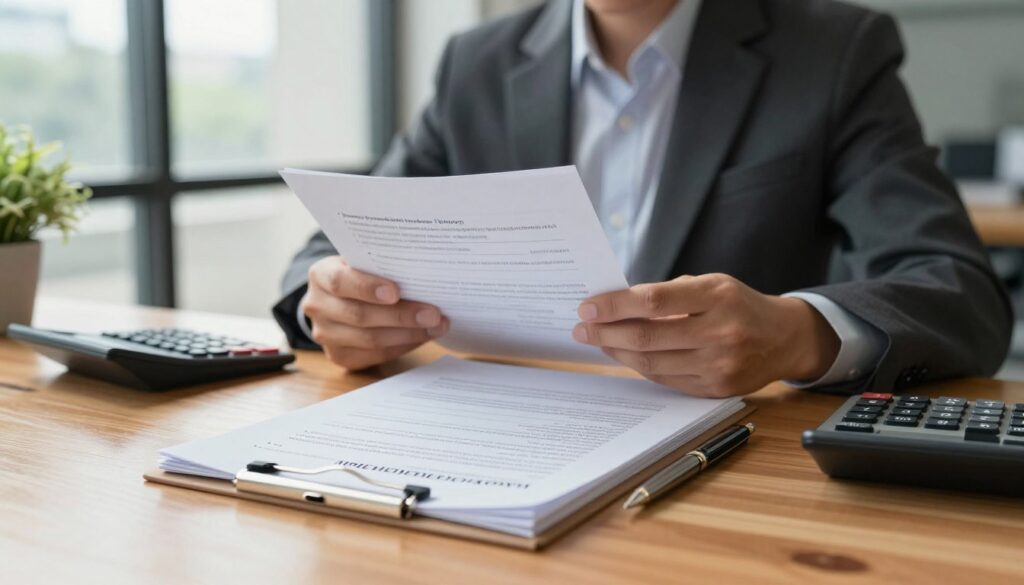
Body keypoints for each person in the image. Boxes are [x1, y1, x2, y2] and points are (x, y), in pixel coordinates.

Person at [273, 0, 1012, 397]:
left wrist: (794, 332)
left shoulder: (833, 53)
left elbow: (959, 291)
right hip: (495, 436)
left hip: (723, 463)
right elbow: (334, 240)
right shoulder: (478, 62)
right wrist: (331, 303)